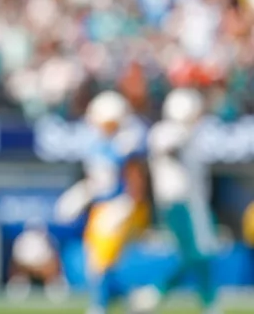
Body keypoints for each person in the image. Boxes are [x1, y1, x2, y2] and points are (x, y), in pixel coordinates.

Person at [54, 91, 149, 314]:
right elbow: (97, 180)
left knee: (102, 261)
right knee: (96, 262)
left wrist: (128, 204)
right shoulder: (95, 144)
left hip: (120, 206)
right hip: (101, 207)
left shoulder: (125, 144)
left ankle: (100, 306)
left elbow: (135, 179)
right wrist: (82, 194)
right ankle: (131, 301)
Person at [130, 89, 221, 314]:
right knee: (196, 253)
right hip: (179, 202)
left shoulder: (192, 133)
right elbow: (169, 148)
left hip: (192, 201)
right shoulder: (167, 131)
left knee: (201, 253)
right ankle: (157, 292)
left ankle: (205, 301)